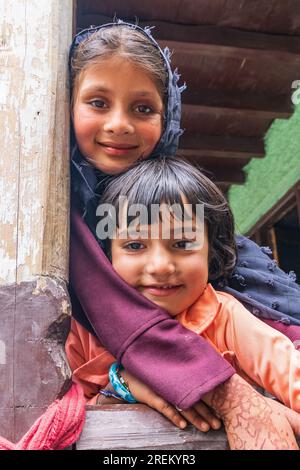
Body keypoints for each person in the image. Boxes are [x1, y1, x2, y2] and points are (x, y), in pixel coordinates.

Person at [67, 20, 300, 448]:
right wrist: (125, 379)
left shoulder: (223, 306)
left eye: (143, 108)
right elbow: (76, 384)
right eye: (98, 102)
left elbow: (279, 359)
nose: (119, 124)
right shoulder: (60, 225)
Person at [67, 155, 300, 449]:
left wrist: (265, 410)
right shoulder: (86, 330)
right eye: (135, 245)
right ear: (107, 257)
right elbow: (60, 409)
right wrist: (122, 385)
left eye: (182, 244)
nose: (161, 265)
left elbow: (290, 375)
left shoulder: (223, 316)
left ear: (210, 253)